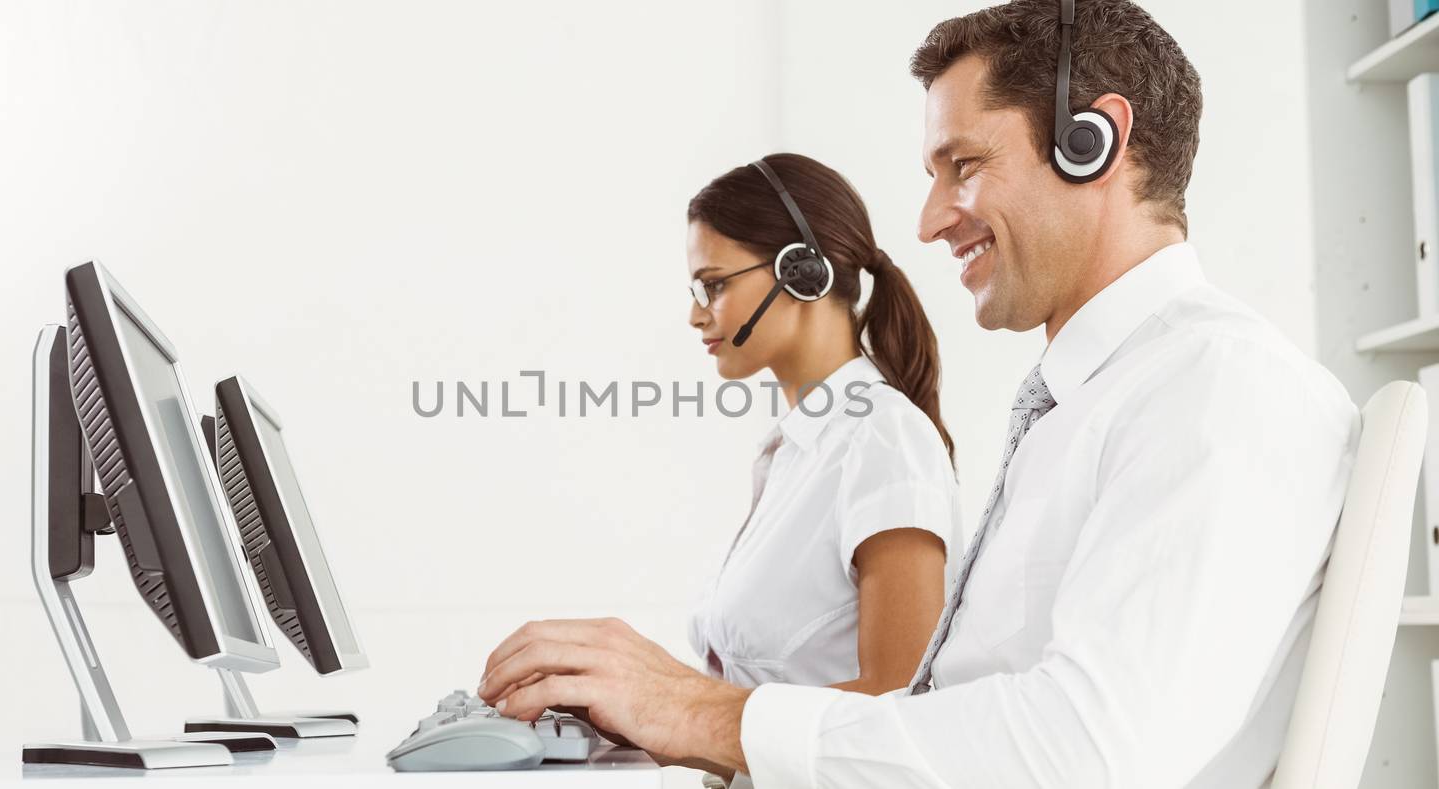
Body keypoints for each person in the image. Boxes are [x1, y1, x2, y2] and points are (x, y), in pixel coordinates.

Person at [476, 2, 1360, 787]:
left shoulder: (1219, 388)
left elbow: (1086, 751)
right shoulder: (1087, 402)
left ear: (1093, 139)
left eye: (962, 165)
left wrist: (699, 713)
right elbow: (946, 713)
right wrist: (680, 718)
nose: (930, 220)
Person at [681, 154, 961, 781]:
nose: (697, 314)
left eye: (715, 284)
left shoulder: (882, 440)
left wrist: (683, 715)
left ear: (800, 273)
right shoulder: (798, 450)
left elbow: (901, 703)